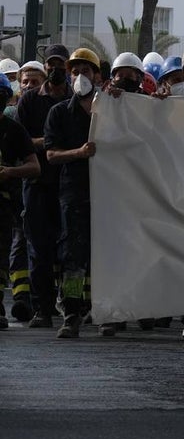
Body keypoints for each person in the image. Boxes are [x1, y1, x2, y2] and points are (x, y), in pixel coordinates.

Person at [43, 48, 102, 338]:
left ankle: (108, 312)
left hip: (110, 193)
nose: (80, 76)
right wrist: (79, 153)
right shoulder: (59, 113)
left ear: (97, 75)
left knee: (109, 252)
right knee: (73, 256)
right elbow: (51, 155)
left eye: (86, 71)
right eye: (75, 71)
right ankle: (71, 312)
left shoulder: (112, 109)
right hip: (75, 193)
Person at [15, 44, 71, 328]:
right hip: (37, 184)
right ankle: (42, 309)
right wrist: (52, 143)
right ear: (45, 66)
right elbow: (20, 141)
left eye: (60, 64)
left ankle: (73, 307)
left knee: (70, 251)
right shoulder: (29, 102)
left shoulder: (78, 99)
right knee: (38, 249)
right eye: (51, 64)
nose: (55, 69)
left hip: (69, 185)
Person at [0, 76, 40, 329]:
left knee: (2, 256)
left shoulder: (13, 130)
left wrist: (9, 172)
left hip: (3, 204)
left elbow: (34, 166)